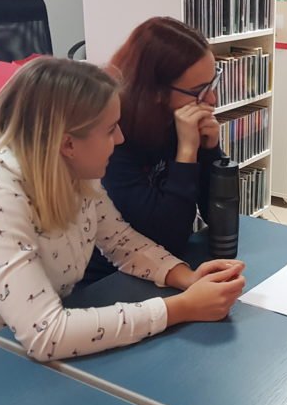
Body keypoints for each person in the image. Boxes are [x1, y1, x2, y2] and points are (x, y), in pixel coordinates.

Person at [0, 57, 245, 392]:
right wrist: (181, 308)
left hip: (7, 354)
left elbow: (122, 242)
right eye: (110, 129)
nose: (120, 139)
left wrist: (187, 278)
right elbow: (47, 333)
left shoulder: (74, 175)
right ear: (68, 143)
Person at [83, 17, 225, 284]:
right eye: (199, 90)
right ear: (155, 92)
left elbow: (222, 222)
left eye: (213, 83)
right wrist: (187, 153)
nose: (212, 99)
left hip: (163, 268)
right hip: (108, 280)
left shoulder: (176, 120)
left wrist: (210, 151)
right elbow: (167, 238)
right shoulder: (112, 139)